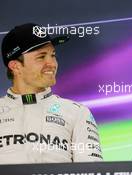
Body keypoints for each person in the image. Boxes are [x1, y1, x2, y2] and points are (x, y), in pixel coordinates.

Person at [0, 23, 102, 164]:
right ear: (15, 66)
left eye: (52, 55)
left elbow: (93, 170)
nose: (52, 63)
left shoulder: (77, 113)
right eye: (41, 57)